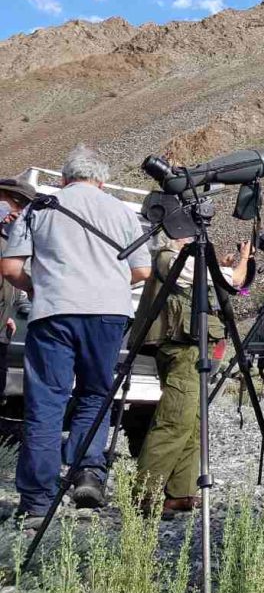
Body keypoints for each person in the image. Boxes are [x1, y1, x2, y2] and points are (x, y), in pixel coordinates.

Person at [0, 146, 152, 519]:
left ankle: (38, 502)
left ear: (65, 178)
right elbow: (142, 271)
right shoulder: (121, 211)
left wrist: (38, 287)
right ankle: (88, 473)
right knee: (95, 394)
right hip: (108, 315)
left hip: (54, 312)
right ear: (101, 181)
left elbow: (10, 268)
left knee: (46, 402)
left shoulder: (41, 208)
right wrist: (106, 286)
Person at [132, 235, 251, 513]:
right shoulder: (169, 258)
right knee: (175, 420)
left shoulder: (178, 261)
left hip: (194, 348)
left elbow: (214, 283)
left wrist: (221, 266)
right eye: (184, 233)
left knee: (194, 421)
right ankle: (144, 495)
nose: (191, 237)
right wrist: (245, 258)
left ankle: (181, 491)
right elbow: (235, 279)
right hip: (183, 349)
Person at [0, 178, 36, 401]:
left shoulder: (7, 240)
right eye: (15, 203)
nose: (18, 212)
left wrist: (7, 313)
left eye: (24, 206)